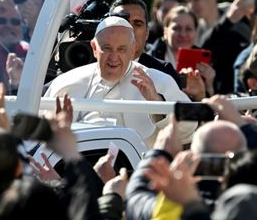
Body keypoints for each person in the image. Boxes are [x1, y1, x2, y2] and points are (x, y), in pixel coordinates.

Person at [45, 15, 196, 148]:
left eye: (121, 49)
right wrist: (56, 127)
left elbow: (188, 129)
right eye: (107, 48)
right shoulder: (68, 81)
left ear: (133, 50)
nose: (113, 57)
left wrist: (157, 102)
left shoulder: (157, 80)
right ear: (94, 48)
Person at [183, 0, 253, 94]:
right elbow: (203, 50)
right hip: (211, 93)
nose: (191, 5)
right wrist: (228, 22)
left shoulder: (238, 17)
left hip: (241, 90)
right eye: (189, 0)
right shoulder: (193, 28)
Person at [109, 0, 182, 88]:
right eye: (123, 22)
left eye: (137, 24)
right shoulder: (91, 67)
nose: (130, 28)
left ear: (147, 33)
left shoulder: (165, 73)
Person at [148, 5, 216, 98]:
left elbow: (210, 107)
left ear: (196, 33)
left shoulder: (204, 63)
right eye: (176, 28)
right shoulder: (150, 59)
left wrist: (209, 85)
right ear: (165, 31)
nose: (183, 34)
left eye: (188, 29)